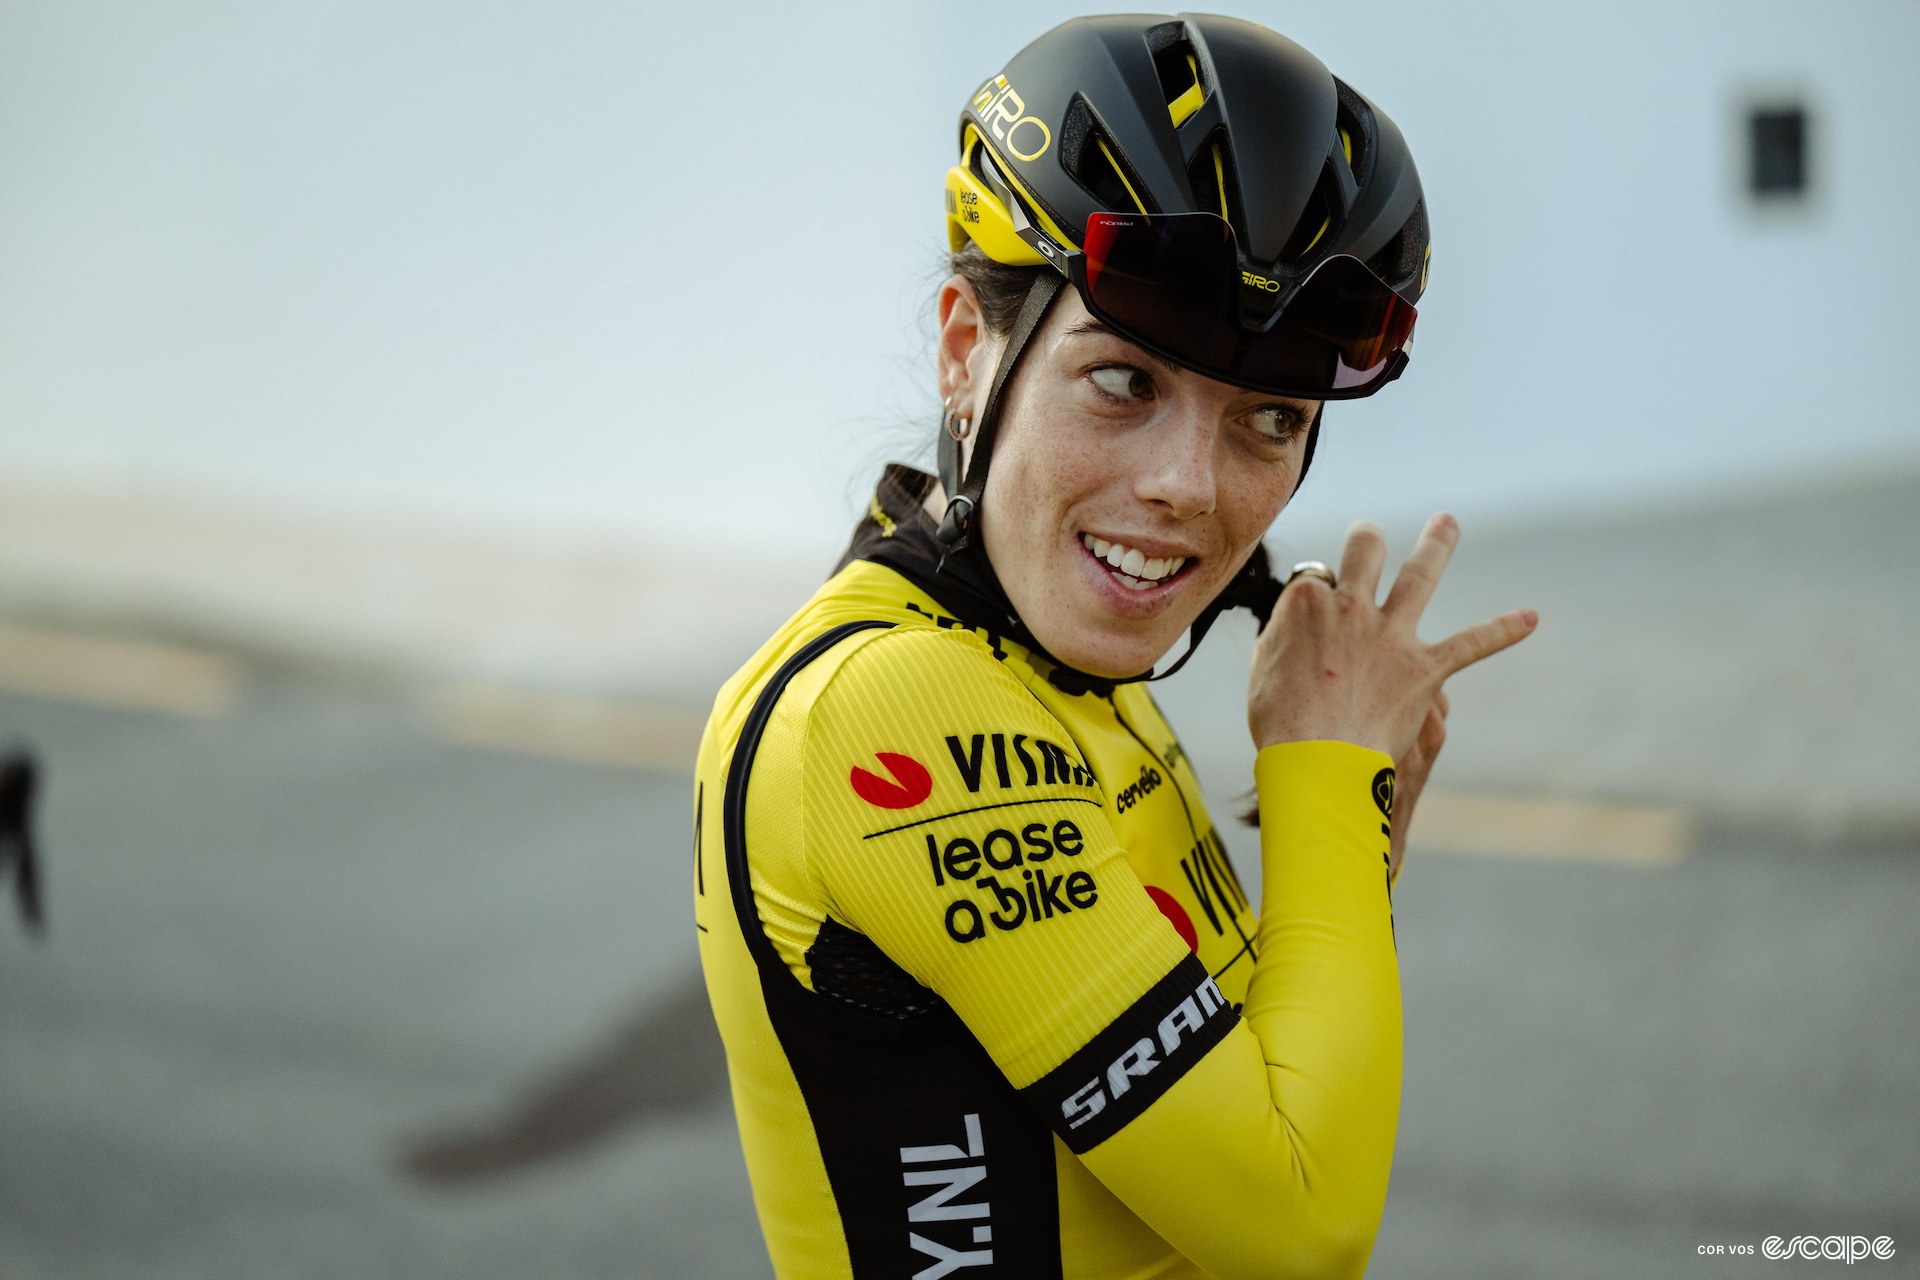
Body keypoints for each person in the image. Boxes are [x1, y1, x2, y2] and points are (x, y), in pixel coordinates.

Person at [693, 14, 1535, 1278]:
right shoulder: (896, 704)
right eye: (1124, 381)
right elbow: (1300, 1227)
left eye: (1267, 414)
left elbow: (1246, 1087)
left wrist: (1359, 846)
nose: (1189, 487)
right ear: (970, 351)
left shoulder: (1052, 660)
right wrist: (1322, 779)